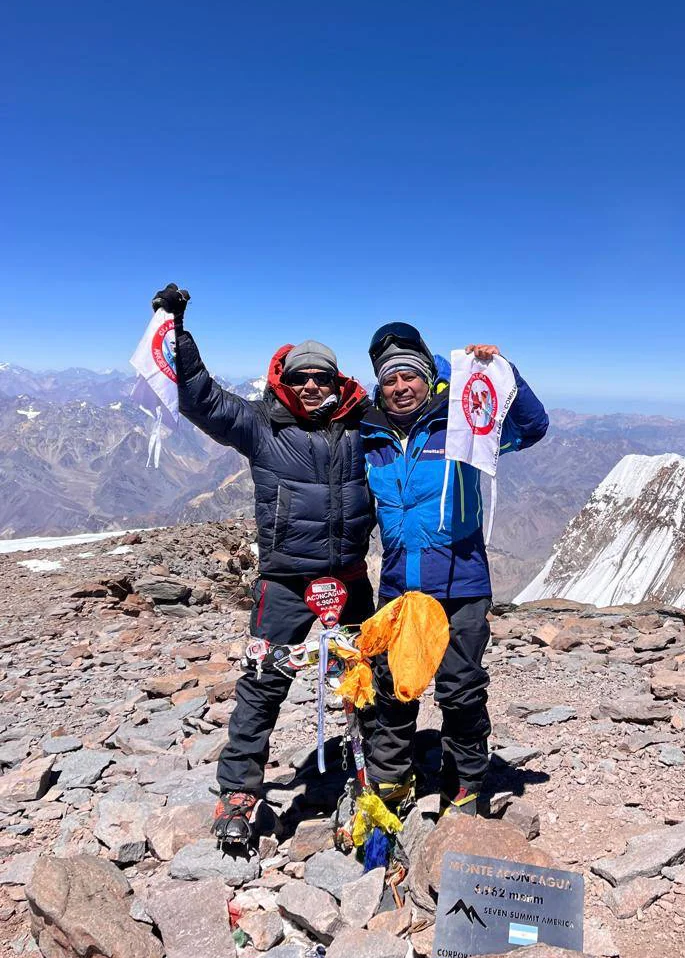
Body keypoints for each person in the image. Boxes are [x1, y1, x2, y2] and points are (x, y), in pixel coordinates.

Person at [150, 284, 375, 845]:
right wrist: (177, 331)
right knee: (262, 682)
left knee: (366, 677)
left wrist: (461, 373)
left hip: (349, 580)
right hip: (284, 583)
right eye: (301, 377)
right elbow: (200, 397)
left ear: (338, 380)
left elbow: (417, 411)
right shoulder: (261, 423)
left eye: (322, 376)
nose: (312, 385)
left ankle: (377, 776)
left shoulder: (361, 425)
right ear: (285, 379)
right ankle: (240, 789)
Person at [360, 322, 548, 816]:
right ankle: (392, 787)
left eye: (410, 376)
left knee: (460, 691)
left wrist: (500, 371)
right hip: (401, 590)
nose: (401, 387)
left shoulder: (465, 426)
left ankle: (463, 786)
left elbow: (532, 427)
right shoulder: (370, 438)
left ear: (428, 377)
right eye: (390, 379)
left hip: (461, 585)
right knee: (395, 692)